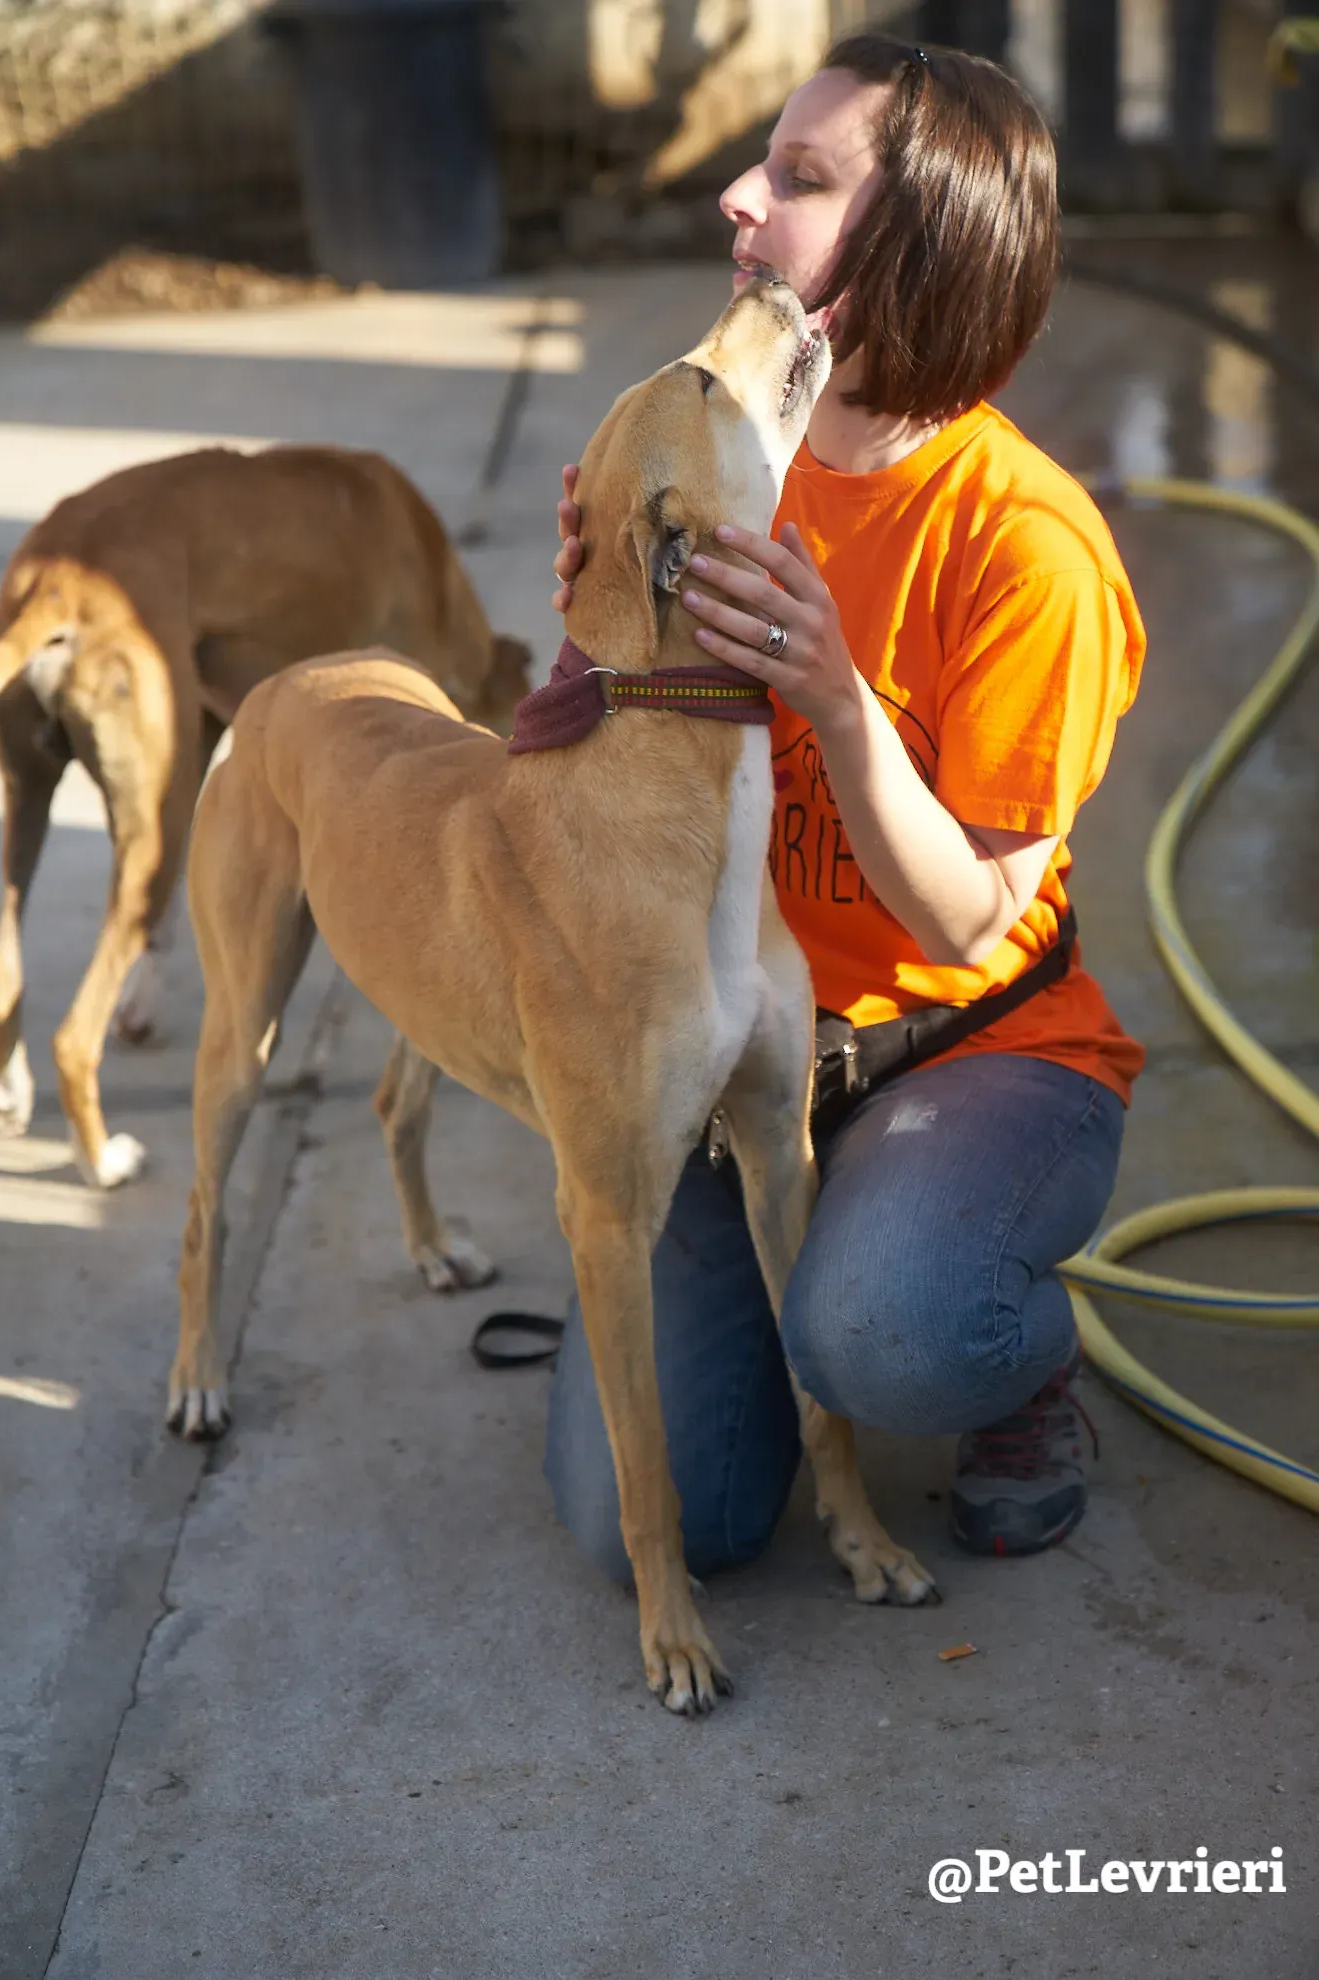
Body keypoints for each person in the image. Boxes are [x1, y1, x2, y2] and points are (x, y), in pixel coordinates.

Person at [542, 34, 1145, 1568]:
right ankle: (753, 1275)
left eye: (801, 179)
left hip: (970, 1048)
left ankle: (1017, 1352)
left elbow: (967, 918)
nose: (740, 197)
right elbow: (575, 752)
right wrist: (597, 617)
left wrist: (835, 695)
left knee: (891, 1333)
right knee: (645, 1533)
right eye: (766, 161)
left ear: (922, 245)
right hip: (741, 1038)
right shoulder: (727, 446)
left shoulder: (1029, 554)